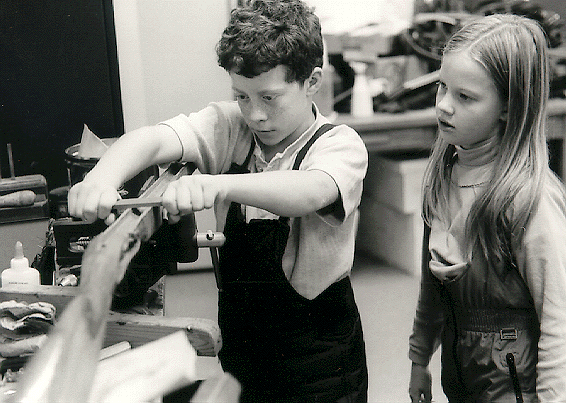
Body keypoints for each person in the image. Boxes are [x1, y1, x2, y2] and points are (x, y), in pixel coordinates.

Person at [68, 0, 369, 401]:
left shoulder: (340, 145)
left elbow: (309, 191)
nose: (255, 114)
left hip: (320, 357)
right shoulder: (232, 126)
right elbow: (153, 139)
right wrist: (101, 178)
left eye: (269, 97)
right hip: (244, 346)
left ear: (312, 81)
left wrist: (217, 185)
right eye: (242, 96)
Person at [408, 14, 566, 403]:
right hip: (460, 375)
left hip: (515, 385)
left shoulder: (529, 198)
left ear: (508, 107)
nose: (443, 106)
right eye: (442, 86)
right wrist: (419, 359)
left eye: (465, 97)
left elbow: (558, 320)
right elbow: (432, 288)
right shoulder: (442, 175)